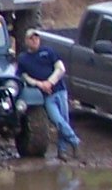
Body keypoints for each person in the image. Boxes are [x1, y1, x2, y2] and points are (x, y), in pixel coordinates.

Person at [18, 28, 80, 160]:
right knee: (57, 120)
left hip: (60, 90)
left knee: (64, 120)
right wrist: (39, 84)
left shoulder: (49, 51)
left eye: (36, 37)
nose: (35, 40)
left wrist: (49, 82)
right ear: (26, 41)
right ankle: (75, 141)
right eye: (31, 38)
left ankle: (62, 151)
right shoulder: (23, 59)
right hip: (45, 96)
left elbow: (61, 68)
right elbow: (23, 76)